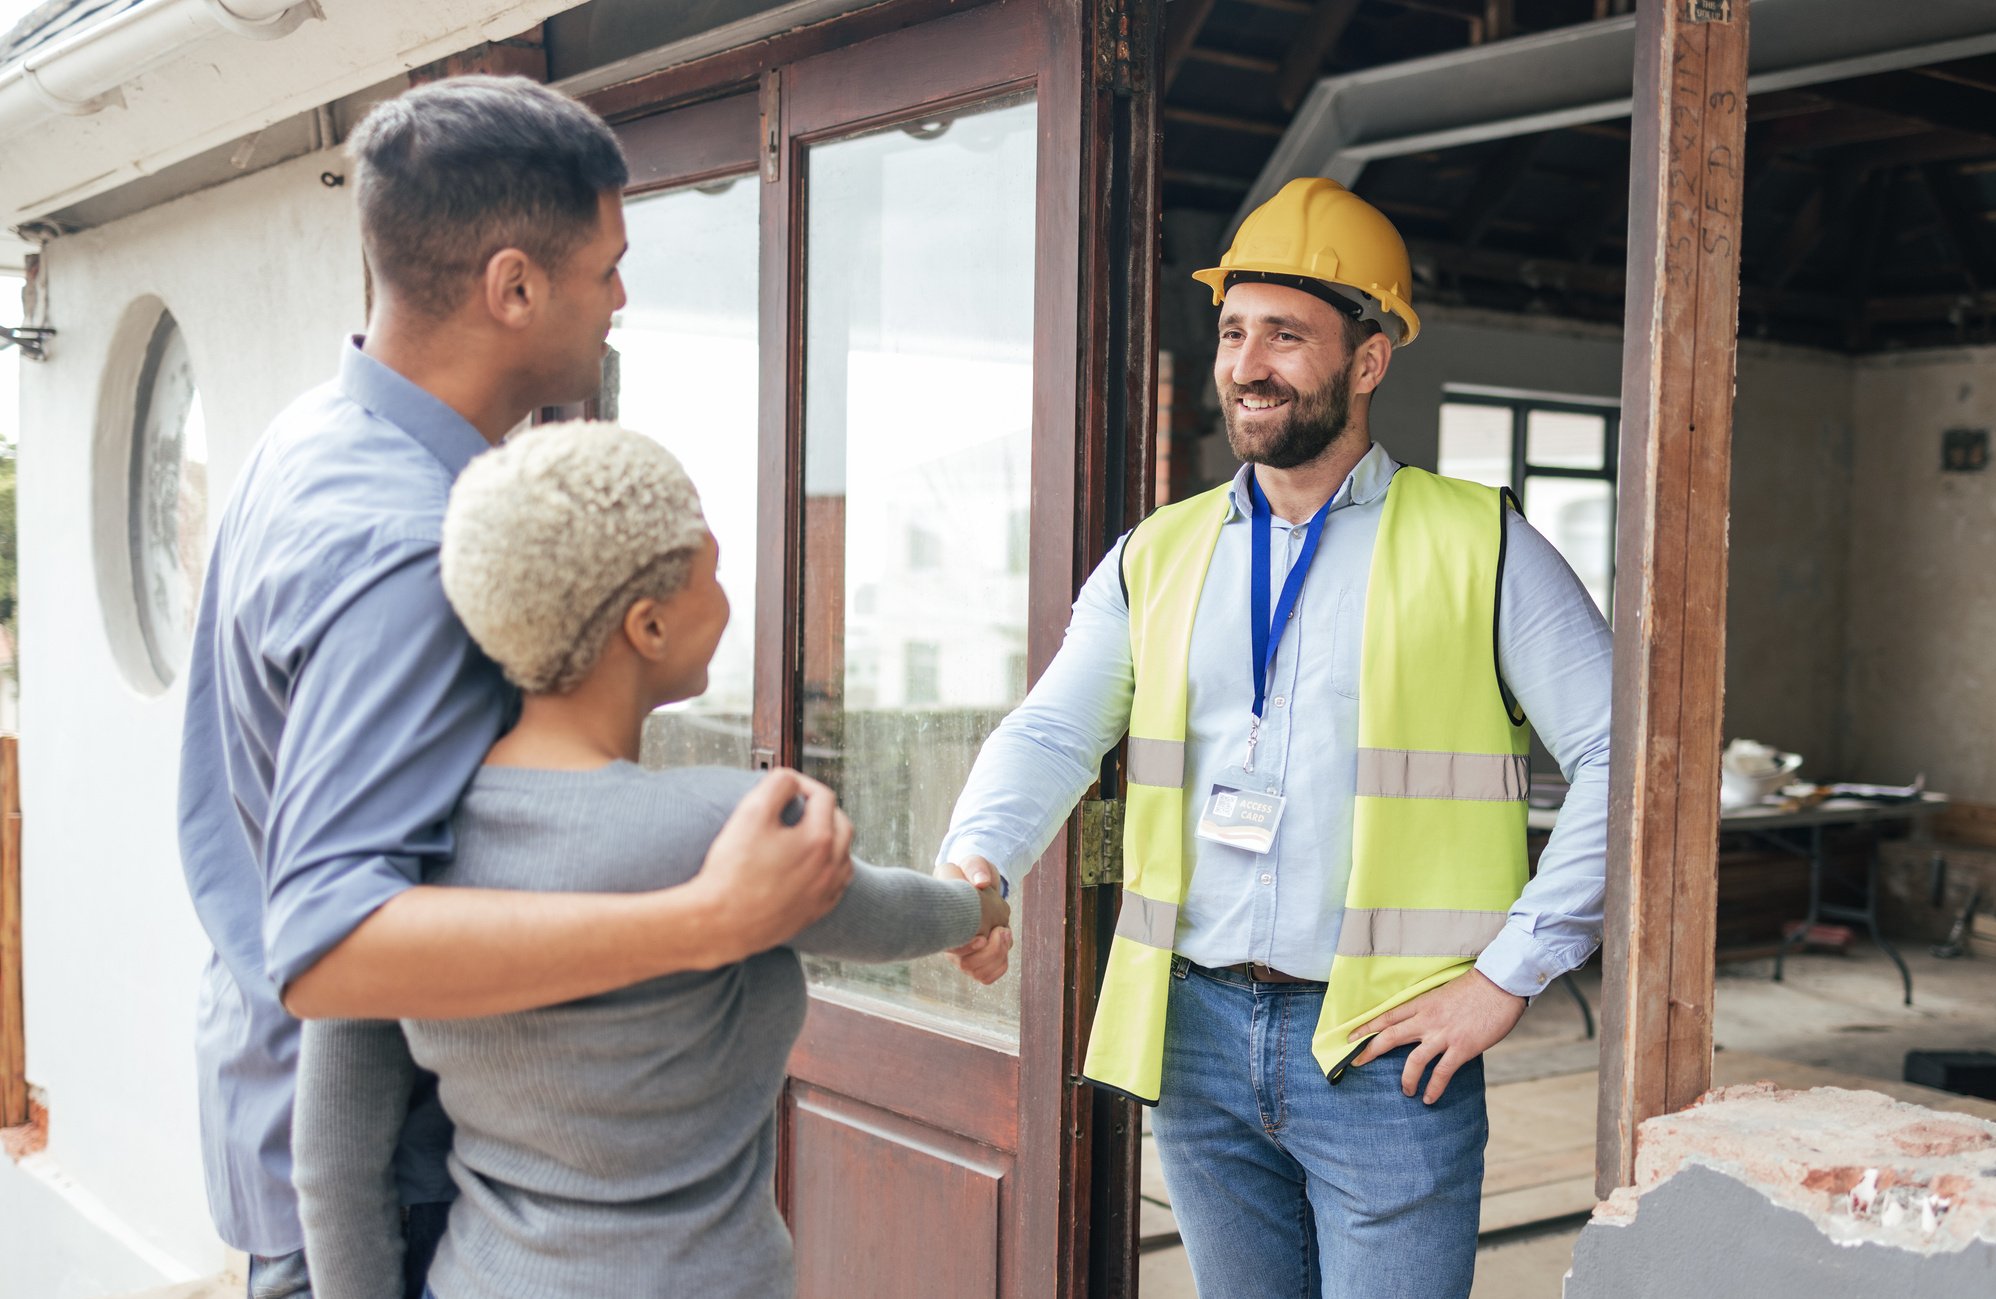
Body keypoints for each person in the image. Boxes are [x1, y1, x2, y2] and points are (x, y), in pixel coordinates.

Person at [176, 76, 856, 1299]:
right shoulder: (406, 547)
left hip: (295, 1130)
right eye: (607, 266)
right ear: (513, 285)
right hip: (388, 1196)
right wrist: (707, 921)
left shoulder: (307, 442)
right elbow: (331, 945)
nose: (620, 301)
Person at [934, 177, 1614, 1296]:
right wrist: (979, 858)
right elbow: (1055, 727)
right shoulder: (1157, 552)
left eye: (1287, 335)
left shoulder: (1480, 544)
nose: (1249, 363)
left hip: (1388, 1044)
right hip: (1195, 1027)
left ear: (1368, 359)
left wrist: (1511, 970)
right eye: (1234, 331)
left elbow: (1619, 760)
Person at [292, 421, 1011, 1299]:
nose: (728, 594)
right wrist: (978, 905)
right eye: (709, 565)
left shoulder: (402, 855)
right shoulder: (730, 828)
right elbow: (891, 915)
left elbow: (332, 1158)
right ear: (648, 621)